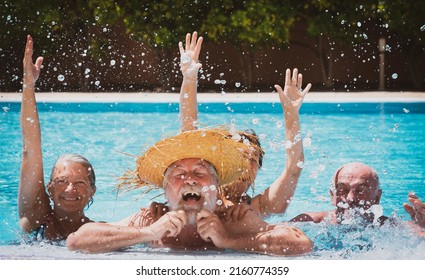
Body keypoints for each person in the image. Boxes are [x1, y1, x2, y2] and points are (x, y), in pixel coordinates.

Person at [66, 129, 313, 256]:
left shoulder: (233, 219)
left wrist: (229, 241)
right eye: (179, 174)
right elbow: (77, 240)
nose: (189, 180)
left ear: (215, 186)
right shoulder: (150, 219)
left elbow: (301, 243)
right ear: (165, 190)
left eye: (199, 172)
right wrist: (147, 233)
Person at [152, 31, 312, 217]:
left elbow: (293, 170)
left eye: (252, 160)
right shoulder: (200, 195)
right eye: (239, 157)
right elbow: (189, 131)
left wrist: (291, 115)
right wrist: (189, 78)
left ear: (257, 170)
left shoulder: (259, 207)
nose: (245, 165)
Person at [19, 35, 96, 240]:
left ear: (92, 191)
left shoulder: (101, 232)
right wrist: (28, 85)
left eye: (80, 182)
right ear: (49, 189)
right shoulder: (35, 216)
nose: (70, 189)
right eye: (62, 181)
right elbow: (30, 150)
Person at [290, 162, 387, 225]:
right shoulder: (311, 222)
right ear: (333, 196)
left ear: (377, 197)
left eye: (361, 190)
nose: (350, 198)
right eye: (342, 189)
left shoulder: (392, 228)